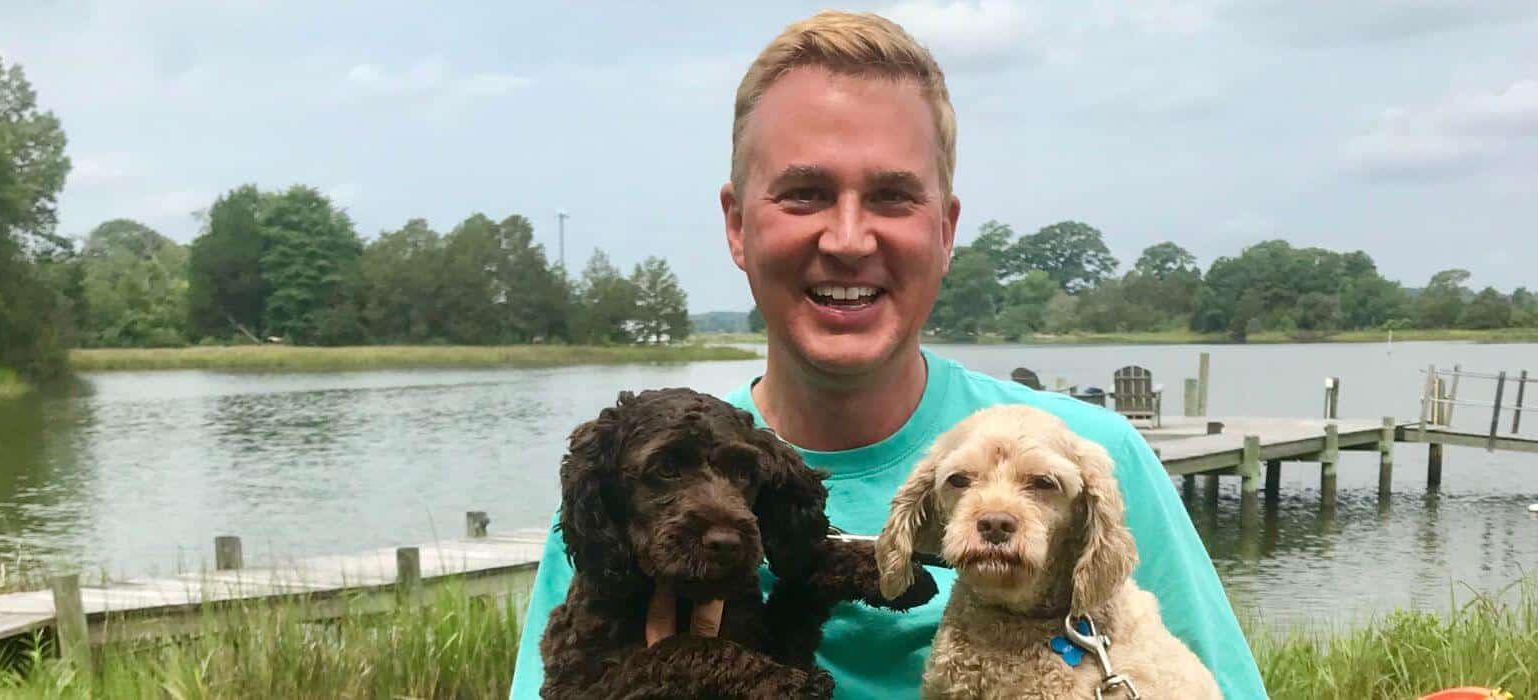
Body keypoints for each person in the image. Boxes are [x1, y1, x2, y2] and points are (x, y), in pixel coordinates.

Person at [509, 10, 1269, 699]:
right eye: (803, 193)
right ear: (737, 225)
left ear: (946, 230)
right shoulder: (632, 487)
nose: (846, 239)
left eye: (892, 197)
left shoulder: (1091, 460)